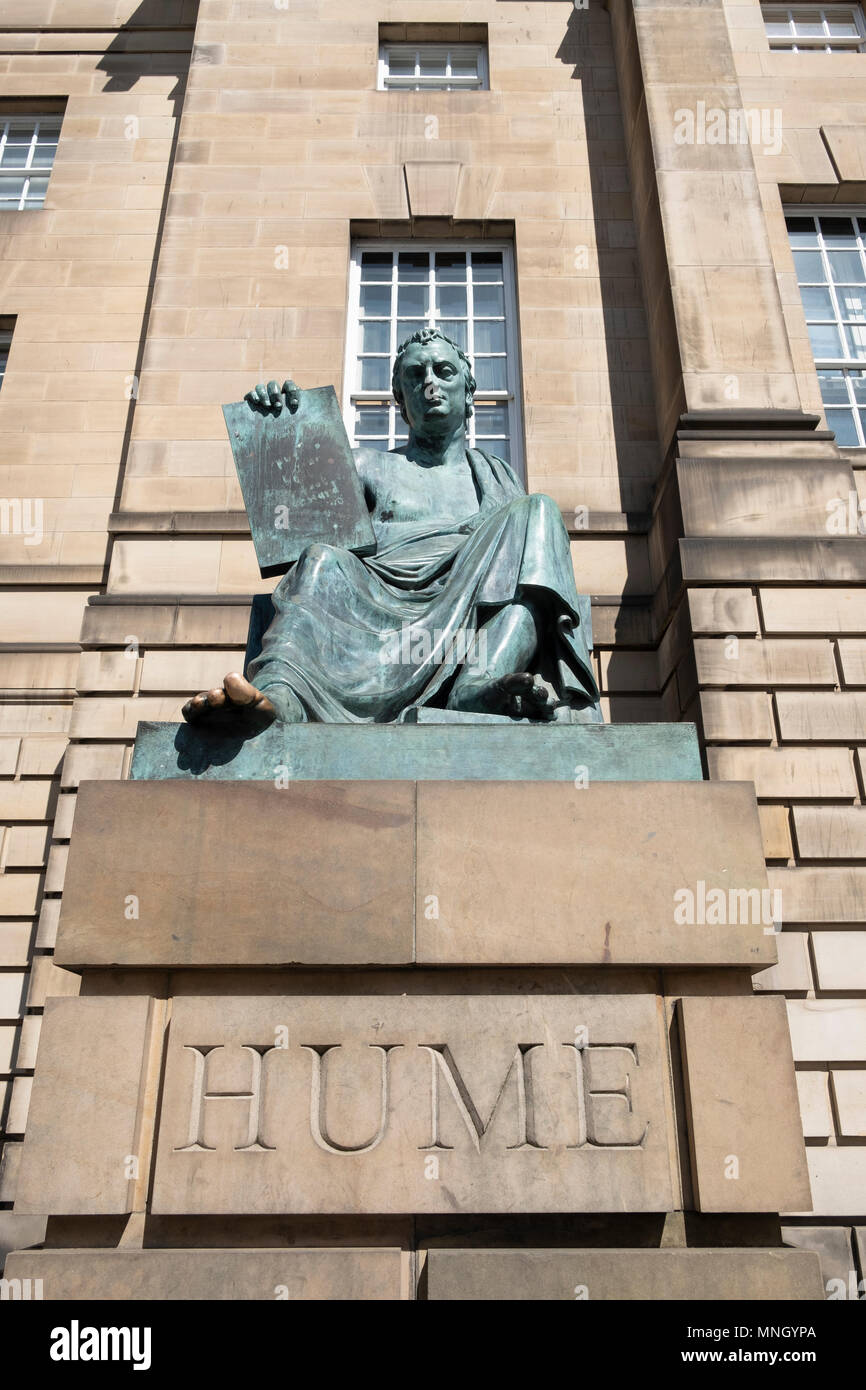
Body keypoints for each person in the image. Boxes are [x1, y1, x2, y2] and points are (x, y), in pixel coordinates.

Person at [183, 328, 600, 727]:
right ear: (402, 400)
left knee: (539, 511)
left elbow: (518, 571)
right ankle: (280, 697)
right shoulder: (367, 465)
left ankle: (478, 682)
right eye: (415, 376)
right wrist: (280, 428)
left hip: (471, 612)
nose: (430, 384)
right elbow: (293, 532)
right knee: (320, 560)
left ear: (469, 393)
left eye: (444, 371)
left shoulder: (498, 478)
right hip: (376, 611)